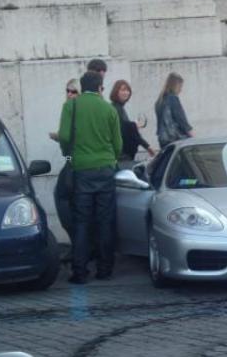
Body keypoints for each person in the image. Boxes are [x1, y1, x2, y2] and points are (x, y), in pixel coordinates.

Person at [56, 71, 122, 284]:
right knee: (105, 220)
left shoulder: (71, 106)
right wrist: (111, 158)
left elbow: (65, 137)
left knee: (82, 222)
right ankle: (105, 269)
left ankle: (80, 271)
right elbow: (118, 144)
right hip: (105, 168)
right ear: (101, 87)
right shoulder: (109, 109)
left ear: (82, 88)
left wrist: (69, 154)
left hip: (81, 169)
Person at [49, 79, 80, 245]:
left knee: (61, 196)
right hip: (88, 163)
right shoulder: (89, 109)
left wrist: (59, 137)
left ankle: (76, 240)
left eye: (73, 91)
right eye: (67, 91)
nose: (69, 94)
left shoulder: (68, 107)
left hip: (72, 161)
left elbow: (66, 137)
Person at [110, 80, 156, 169]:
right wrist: (148, 147)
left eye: (127, 90)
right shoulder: (116, 109)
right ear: (116, 91)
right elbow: (126, 129)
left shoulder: (119, 108)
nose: (126, 93)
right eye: (123, 90)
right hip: (122, 155)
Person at [155, 72, 194, 148]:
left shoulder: (159, 101)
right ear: (175, 86)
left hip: (163, 140)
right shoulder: (173, 99)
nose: (181, 90)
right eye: (180, 87)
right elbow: (182, 121)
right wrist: (193, 137)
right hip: (175, 140)